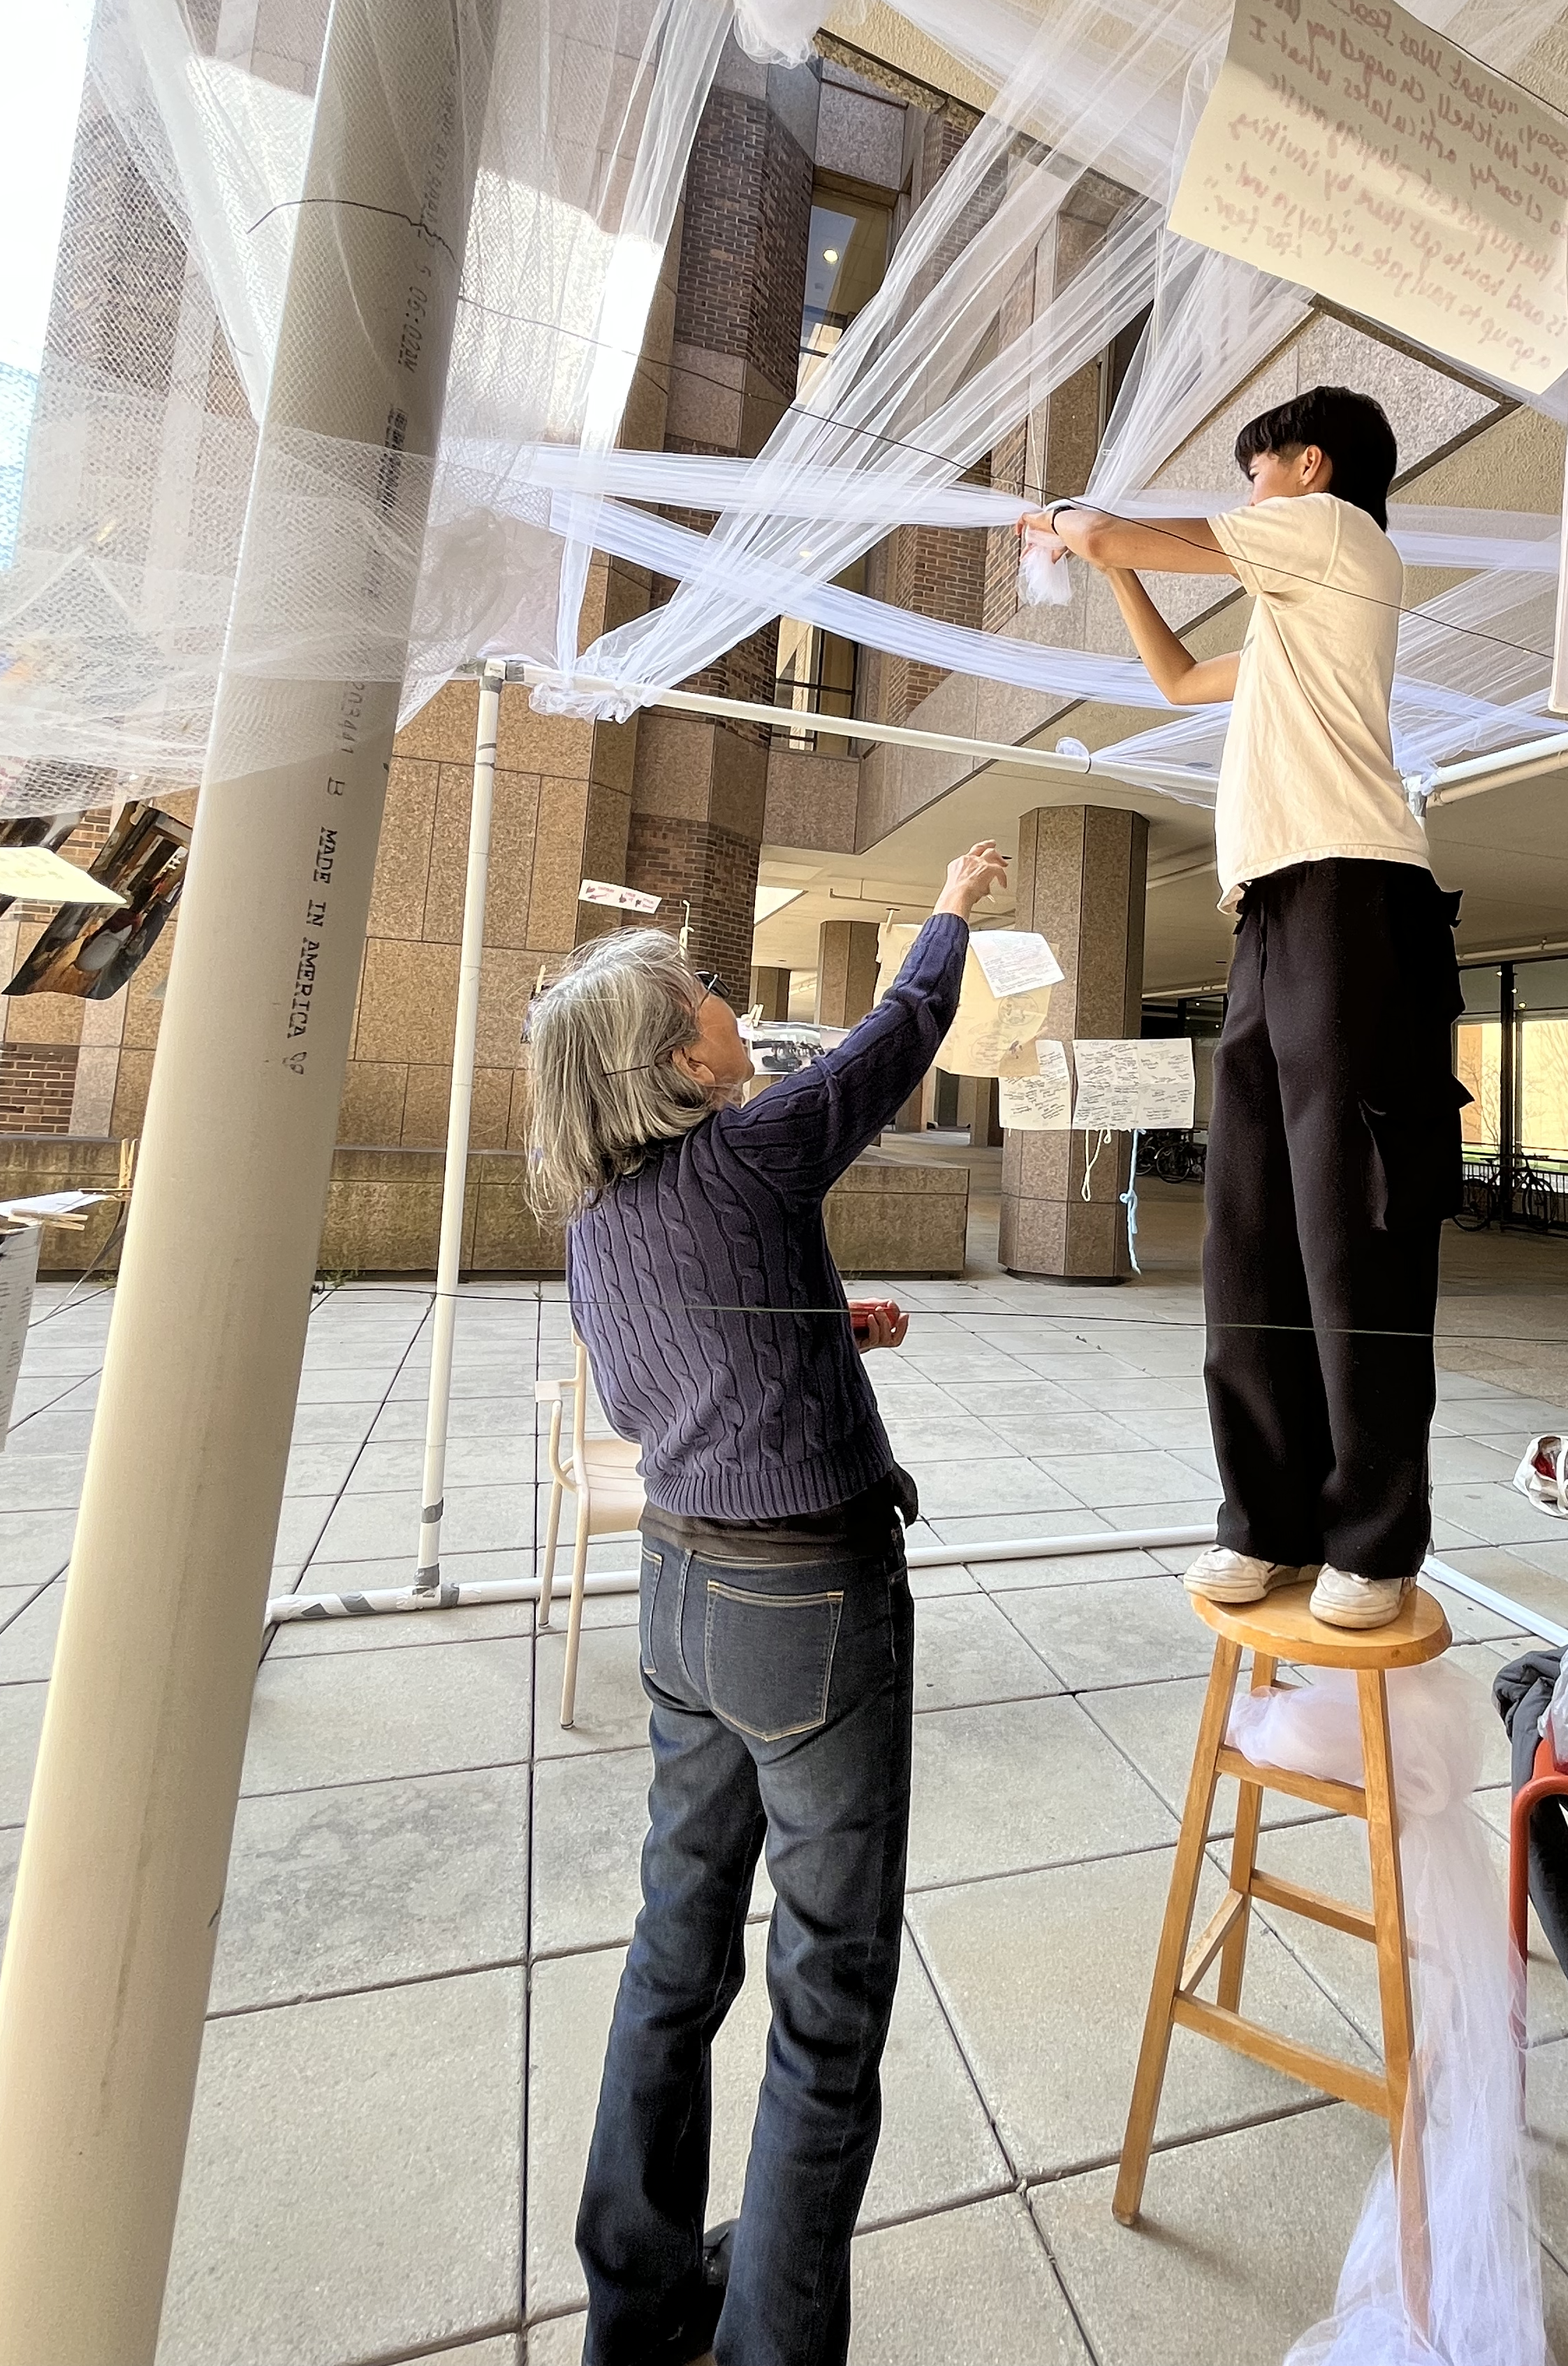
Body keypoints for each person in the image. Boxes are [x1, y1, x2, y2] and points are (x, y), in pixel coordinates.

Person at [525, 839, 1009, 2366]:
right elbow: (893, 1050)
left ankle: (639, 2305)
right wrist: (947, 913)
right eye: (715, 998)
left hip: (678, 1600)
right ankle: (774, 2347)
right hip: (807, 1604)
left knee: (676, 1952)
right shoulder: (746, 1154)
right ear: (683, 1052)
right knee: (827, 1993)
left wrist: (824, 1327)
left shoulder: (602, 1213)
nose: (736, 1011)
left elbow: (657, 1381)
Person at [1022, 386, 1464, 1633]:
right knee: (1251, 1223)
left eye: (1256, 469)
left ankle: (1374, 1540)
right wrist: (1101, 564)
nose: (1250, 492)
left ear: (1308, 467)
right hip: (1271, 911)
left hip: (1355, 896)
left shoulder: (1340, 534)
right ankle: (1264, 1522)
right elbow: (1171, 680)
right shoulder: (1294, 614)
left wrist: (1070, 526)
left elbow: (1122, 533)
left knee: (1352, 1220)